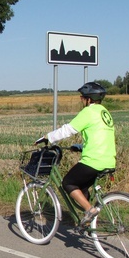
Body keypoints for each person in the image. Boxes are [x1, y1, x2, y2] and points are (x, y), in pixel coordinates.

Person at [35, 82, 116, 229]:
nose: (82, 101)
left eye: (82, 98)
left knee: (68, 183)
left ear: (89, 99)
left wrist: (48, 137)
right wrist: (80, 146)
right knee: (82, 187)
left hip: (94, 160)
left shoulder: (88, 112)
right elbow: (99, 135)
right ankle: (89, 223)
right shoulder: (104, 112)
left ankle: (90, 210)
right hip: (109, 159)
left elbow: (68, 130)